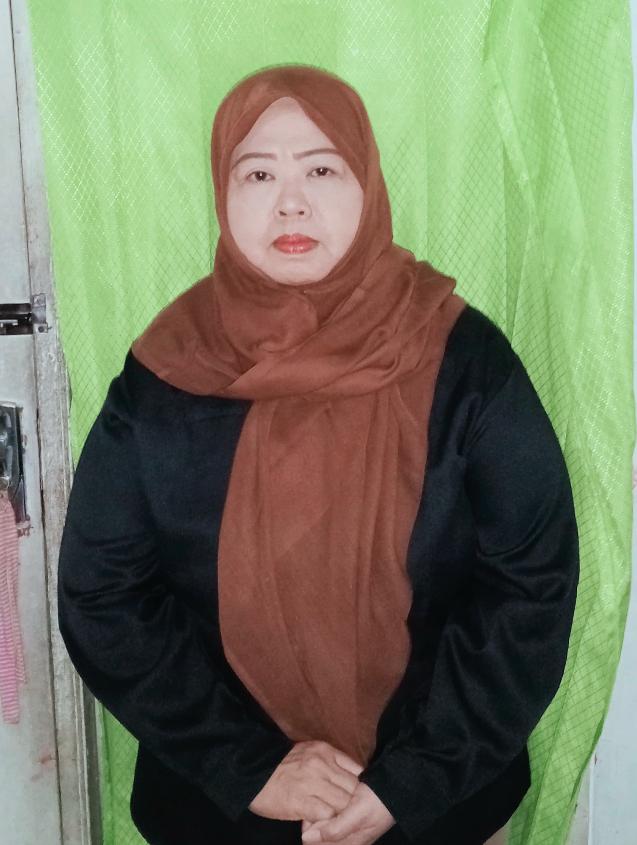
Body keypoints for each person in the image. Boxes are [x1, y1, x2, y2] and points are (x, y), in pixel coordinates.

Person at [57, 64, 580, 845]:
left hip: (437, 803)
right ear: (222, 192)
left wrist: (412, 779)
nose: (291, 202)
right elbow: (103, 594)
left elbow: (529, 583)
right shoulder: (166, 372)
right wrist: (251, 768)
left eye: (322, 169)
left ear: (367, 184)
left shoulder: (463, 360)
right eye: (257, 173)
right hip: (221, 807)